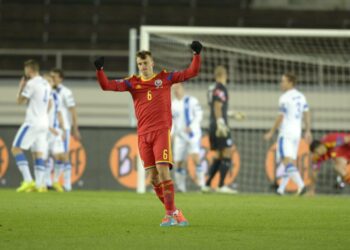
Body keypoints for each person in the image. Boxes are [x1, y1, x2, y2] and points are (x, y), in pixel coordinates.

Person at [94, 41, 202, 227]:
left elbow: (191, 72)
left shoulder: (165, 78)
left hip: (161, 132)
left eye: (146, 63)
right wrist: (100, 70)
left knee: (163, 171)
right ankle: (174, 211)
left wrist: (196, 55)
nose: (143, 67)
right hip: (143, 135)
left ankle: (169, 215)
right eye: (140, 64)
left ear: (152, 63)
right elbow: (107, 86)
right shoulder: (132, 82)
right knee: (153, 178)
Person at [264, 72, 312, 196]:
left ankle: (301, 186)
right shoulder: (301, 96)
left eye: (283, 81)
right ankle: (281, 189)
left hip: (286, 133)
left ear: (290, 82)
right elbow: (306, 113)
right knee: (289, 161)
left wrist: (271, 131)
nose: (281, 83)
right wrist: (307, 130)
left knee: (286, 161)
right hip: (297, 132)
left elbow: (281, 116)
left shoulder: (284, 97)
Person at [11, 60, 51, 192]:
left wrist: (21, 86)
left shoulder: (31, 83)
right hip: (44, 122)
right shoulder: (46, 83)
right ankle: (40, 185)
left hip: (32, 121)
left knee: (16, 148)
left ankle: (28, 180)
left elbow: (19, 101)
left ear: (29, 69)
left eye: (25, 68)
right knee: (38, 153)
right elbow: (49, 104)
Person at [202, 66, 237, 194]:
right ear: (224, 75)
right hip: (219, 125)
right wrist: (221, 122)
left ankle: (206, 184)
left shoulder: (211, 89)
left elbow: (215, 107)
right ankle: (221, 185)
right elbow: (217, 106)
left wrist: (231, 114)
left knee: (219, 155)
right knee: (227, 151)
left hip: (212, 124)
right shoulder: (220, 88)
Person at [50, 69, 81, 191]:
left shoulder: (66, 92)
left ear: (61, 78)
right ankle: (54, 182)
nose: (52, 79)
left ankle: (67, 184)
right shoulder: (48, 91)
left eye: (55, 77)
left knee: (64, 155)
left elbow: (72, 110)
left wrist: (75, 128)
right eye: (51, 77)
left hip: (63, 128)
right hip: (51, 127)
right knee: (54, 156)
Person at [171, 83, 204, 192]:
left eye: (178, 88)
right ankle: (181, 188)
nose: (176, 90)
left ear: (183, 88)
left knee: (195, 158)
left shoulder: (191, 101)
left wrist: (192, 126)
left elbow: (199, 114)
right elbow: (172, 122)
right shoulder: (172, 105)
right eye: (174, 88)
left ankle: (202, 185)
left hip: (192, 135)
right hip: (180, 136)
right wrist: (171, 135)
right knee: (179, 162)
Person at [43, 73, 65, 192]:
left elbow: (59, 112)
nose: (49, 83)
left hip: (56, 131)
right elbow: (41, 113)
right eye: (46, 81)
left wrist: (63, 129)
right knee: (45, 157)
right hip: (45, 130)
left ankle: (55, 181)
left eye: (50, 81)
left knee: (60, 156)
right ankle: (45, 183)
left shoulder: (56, 96)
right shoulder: (43, 96)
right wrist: (48, 127)